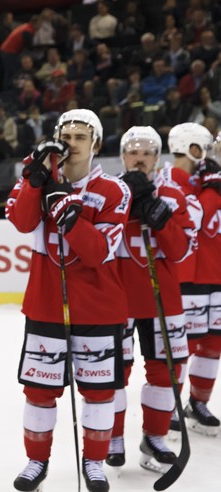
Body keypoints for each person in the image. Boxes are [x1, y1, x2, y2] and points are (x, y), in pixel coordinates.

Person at [6, 109, 130, 492]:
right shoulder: (38, 181)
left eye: (81, 137)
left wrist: (69, 215)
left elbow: (97, 253)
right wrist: (35, 178)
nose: (72, 143)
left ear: (95, 144)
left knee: (98, 392)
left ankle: (94, 462)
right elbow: (21, 222)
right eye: (66, 135)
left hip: (98, 306)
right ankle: (35, 461)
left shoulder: (115, 191)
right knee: (39, 390)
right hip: (45, 303)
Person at [107, 126, 195, 474]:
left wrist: (156, 212)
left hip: (163, 298)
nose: (139, 157)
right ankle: (112, 437)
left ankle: (155, 437)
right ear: (123, 156)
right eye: (133, 151)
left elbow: (181, 249)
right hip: (118, 298)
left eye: (147, 152)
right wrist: (128, 206)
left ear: (158, 157)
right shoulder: (109, 192)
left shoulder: (172, 193)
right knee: (113, 372)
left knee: (167, 371)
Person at [166, 122, 221, 438]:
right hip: (188, 275)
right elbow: (195, 217)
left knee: (213, 343)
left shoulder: (208, 180)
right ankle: (169, 404)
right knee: (182, 344)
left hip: (215, 274)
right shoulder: (174, 179)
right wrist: (212, 190)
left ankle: (198, 402)